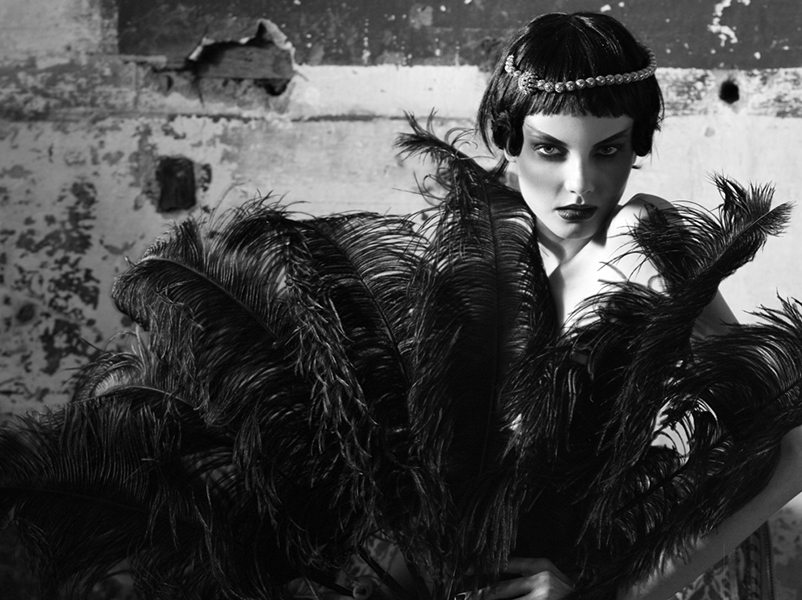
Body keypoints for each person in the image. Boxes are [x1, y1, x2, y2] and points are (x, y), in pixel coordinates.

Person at [2, 10, 802, 600]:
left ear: (639, 144)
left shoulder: (644, 244)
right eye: (550, 150)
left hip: (617, 567)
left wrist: (614, 592)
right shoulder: (474, 242)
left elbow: (785, 448)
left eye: (611, 150)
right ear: (507, 141)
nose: (580, 184)